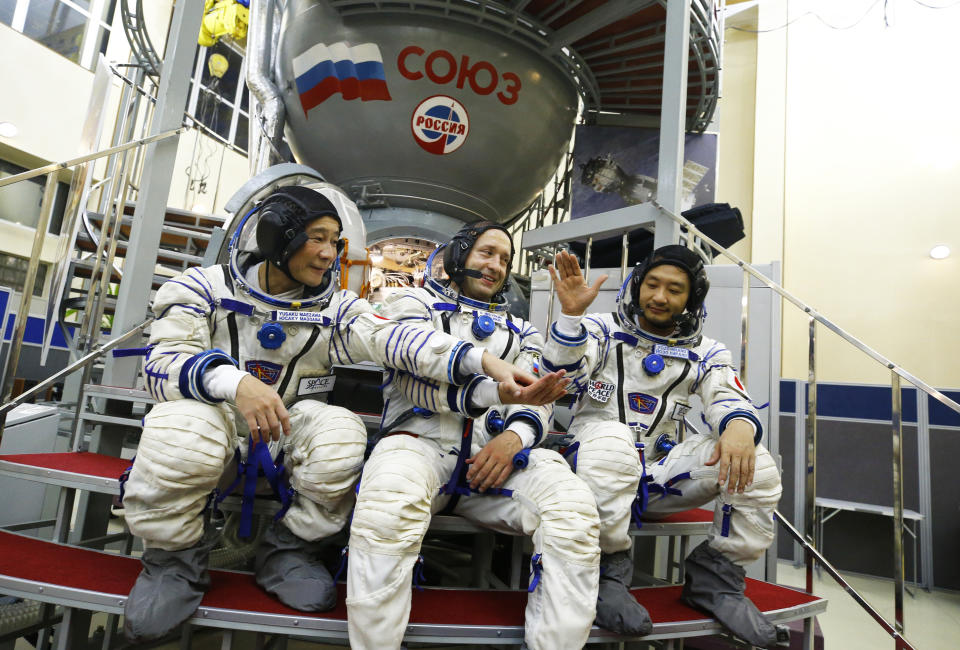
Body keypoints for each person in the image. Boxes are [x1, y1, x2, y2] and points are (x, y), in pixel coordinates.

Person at [120, 186, 564, 642]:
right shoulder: (201, 287)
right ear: (278, 237)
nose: (329, 255)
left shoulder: (336, 308)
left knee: (342, 433)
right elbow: (162, 364)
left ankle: (290, 548)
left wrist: (485, 363)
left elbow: (398, 340)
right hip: (215, 432)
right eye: (318, 239)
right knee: (179, 426)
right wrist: (236, 384)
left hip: (285, 438)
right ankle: (172, 562)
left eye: (335, 242)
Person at [346, 223, 601, 650]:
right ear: (457, 256)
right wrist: (488, 373)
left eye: (504, 259)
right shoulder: (412, 303)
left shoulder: (521, 331)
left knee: (573, 510)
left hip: (493, 462)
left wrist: (516, 437)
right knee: (388, 505)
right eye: (486, 253)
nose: (496, 265)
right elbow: (409, 352)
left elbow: (547, 390)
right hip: (417, 447)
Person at [544, 245, 786, 647]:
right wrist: (571, 317)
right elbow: (557, 378)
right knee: (612, 441)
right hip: (592, 468)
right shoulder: (602, 330)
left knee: (756, 463)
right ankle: (606, 573)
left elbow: (727, 395)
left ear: (691, 298)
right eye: (652, 284)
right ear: (637, 286)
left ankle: (716, 580)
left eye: (675, 289)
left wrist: (740, 425)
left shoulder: (707, 351)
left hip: (657, 475)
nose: (659, 297)